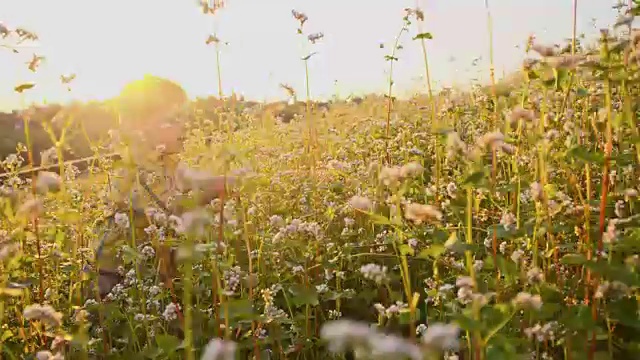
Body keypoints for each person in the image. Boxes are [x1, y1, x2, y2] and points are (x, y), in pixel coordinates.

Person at [91, 75, 227, 299]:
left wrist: (225, 180)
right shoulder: (135, 169)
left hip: (149, 264)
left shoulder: (168, 161)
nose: (184, 126)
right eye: (173, 120)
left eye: (184, 118)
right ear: (137, 127)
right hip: (115, 275)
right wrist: (210, 195)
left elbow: (191, 179)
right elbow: (166, 211)